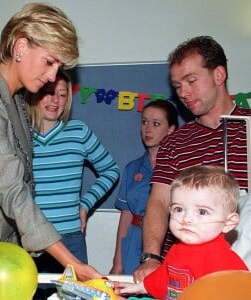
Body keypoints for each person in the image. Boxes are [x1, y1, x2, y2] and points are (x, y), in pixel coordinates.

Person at [0, 3, 100, 299]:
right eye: (49, 62)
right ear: (20, 46)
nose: (52, 75)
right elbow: (11, 190)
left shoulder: (16, 102)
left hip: (4, 246)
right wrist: (71, 261)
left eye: (59, 67)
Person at [134, 35, 251, 282]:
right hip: (185, 274)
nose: (184, 93)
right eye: (177, 86)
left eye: (191, 81)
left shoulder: (248, 126)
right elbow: (159, 201)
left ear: (219, 75)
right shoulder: (174, 142)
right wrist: (151, 257)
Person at [26, 70, 120, 298]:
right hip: (30, 241)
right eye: (49, 93)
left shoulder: (78, 131)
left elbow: (111, 169)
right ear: (35, 94)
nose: (55, 100)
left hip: (70, 240)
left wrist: (85, 204)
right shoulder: (22, 135)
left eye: (62, 94)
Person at [115, 166, 248, 300]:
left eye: (202, 212)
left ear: (228, 223)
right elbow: (162, 278)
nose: (186, 219)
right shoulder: (178, 248)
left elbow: (240, 289)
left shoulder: (223, 261)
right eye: (179, 209)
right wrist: (136, 288)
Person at [109, 100, 178, 275]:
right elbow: (125, 217)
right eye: (144, 122)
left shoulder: (180, 168)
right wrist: (118, 262)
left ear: (171, 129)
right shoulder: (133, 168)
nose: (148, 129)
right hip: (134, 242)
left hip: (168, 240)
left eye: (156, 124)